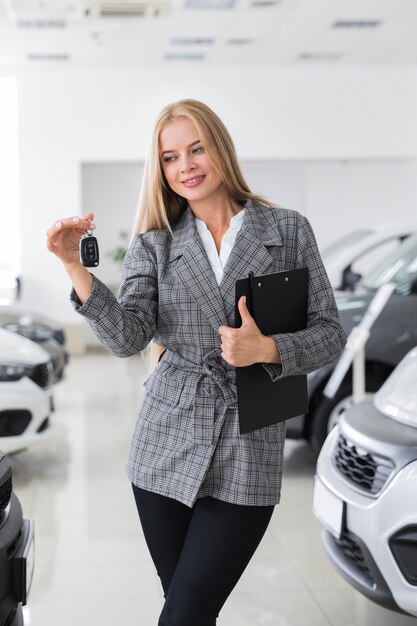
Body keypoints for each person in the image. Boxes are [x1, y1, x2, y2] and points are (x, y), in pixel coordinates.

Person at [46, 98, 346, 625]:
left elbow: (329, 334)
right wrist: (75, 267)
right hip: (164, 444)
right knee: (188, 614)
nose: (184, 165)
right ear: (159, 169)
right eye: (169, 157)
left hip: (248, 443)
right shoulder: (155, 244)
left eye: (196, 148)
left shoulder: (288, 230)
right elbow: (127, 337)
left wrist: (269, 349)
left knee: (185, 613)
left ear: (220, 149)